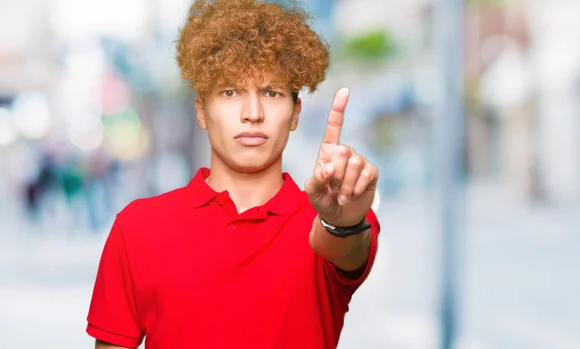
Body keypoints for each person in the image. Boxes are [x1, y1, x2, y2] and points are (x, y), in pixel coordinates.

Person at [86, 1, 381, 348]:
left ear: (296, 113)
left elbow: (343, 248)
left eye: (271, 93)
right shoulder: (137, 228)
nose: (252, 113)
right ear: (201, 111)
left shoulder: (336, 217)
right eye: (230, 92)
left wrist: (341, 223)